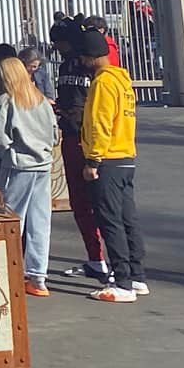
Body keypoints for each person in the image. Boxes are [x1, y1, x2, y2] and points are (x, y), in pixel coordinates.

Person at [78, 27, 147, 304]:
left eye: (83, 57)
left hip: (106, 158)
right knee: (128, 219)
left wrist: (92, 159)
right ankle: (137, 275)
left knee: (110, 221)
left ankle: (122, 282)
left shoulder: (103, 83)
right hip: (125, 156)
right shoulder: (123, 81)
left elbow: (99, 122)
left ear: (90, 57)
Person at [0, 55, 56, 299]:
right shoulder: (41, 100)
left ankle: (8, 270)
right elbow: (54, 134)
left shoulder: (5, 101)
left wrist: (8, 151)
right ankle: (38, 277)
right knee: (40, 222)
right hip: (43, 165)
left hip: (17, 166)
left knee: (9, 219)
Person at [49, 21, 111, 284]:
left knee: (100, 205)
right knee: (80, 205)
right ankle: (96, 260)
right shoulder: (65, 67)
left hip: (88, 141)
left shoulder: (94, 68)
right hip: (71, 135)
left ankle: (114, 263)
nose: (56, 48)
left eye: (58, 43)